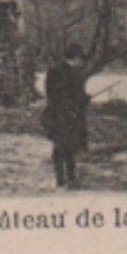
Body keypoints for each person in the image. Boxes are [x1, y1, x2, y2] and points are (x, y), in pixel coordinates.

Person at [42, 44, 91, 187]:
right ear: (76, 58)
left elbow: (51, 94)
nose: (81, 62)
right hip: (68, 115)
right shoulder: (74, 73)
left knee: (61, 146)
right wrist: (83, 100)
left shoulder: (53, 71)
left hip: (56, 114)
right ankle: (70, 177)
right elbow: (73, 95)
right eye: (80, 59)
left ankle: (61, 178)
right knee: (68, 146)